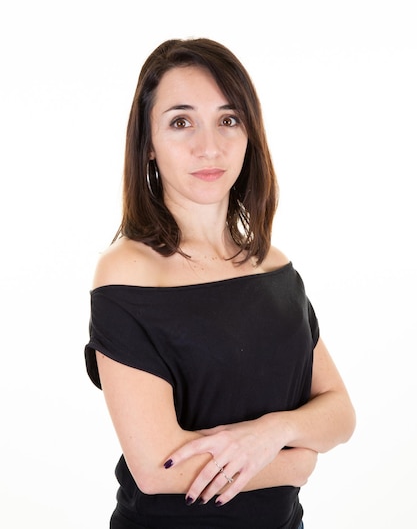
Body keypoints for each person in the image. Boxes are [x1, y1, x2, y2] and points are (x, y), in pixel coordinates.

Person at [85, 38, 356, 529]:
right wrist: (296, 460)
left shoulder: (274, 268)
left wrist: (274, 429)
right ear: (148, 143)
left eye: (228, 119)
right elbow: (157, 468)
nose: (209, 146)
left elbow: (340, 414)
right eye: (181, 121)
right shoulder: (127, 273)